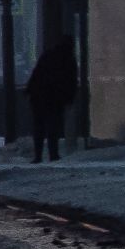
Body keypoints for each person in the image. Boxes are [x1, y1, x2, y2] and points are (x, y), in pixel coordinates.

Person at [26, 35, 79, 163]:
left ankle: (38, 156)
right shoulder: (69, 60)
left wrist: (30, 90)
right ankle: (53, 154)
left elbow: (36, 74)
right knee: (52, 127)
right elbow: (71, 82)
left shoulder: (48, 55)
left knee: (39, 127)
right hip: (55, 98)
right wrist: (69, 98)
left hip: (39, 96)